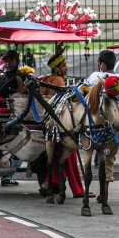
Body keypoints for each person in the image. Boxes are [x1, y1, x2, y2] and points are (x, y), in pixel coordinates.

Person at [86, 49, 119, 206]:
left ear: (101, 64)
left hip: (109, 128)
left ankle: (105, 196)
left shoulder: (96, 77)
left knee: (107, 159)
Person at [38, 51, 85, 199]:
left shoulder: (45, 78)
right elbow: (63, 103)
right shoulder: (58, 80)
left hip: (45, 119)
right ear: (57, 68)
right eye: (63, 66)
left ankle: (57, 185)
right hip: (56, 121)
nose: (66, 68)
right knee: (69, 155)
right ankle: (73, 188)